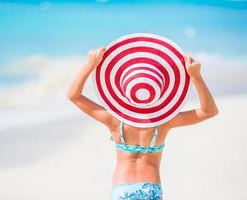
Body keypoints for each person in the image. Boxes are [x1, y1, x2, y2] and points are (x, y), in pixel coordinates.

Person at [67, 47, 219, 200]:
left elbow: (74, 96)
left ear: (123, 89)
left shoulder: (115, 121)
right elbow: (209, 111)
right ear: (159, 91)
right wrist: (196, 76)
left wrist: (90, 65)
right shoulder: (163, 122)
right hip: (151, 189)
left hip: (122, 189)